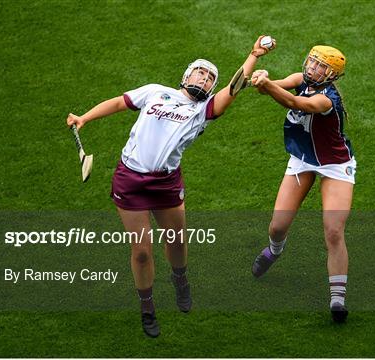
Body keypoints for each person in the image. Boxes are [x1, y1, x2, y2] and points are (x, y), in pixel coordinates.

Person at [66, 36, 275, 338]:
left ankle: (180, 279)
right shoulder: (155, 92)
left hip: (165, 183)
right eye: (200, 72)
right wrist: (84, 117)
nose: (204, 77)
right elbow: (118, 102)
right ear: (186, 75)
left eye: (210, 77)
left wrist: (253, 55)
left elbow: (235, 86)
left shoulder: (203, 111)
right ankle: (147, 307)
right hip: (130, 179)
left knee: (176, 242)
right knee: (140, 252)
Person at [250, 45, 354, 323]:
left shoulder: (326, 100)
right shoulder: (300, 80)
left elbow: (295, 103)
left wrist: (268, 85)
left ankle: (337, 299)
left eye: (320, 66)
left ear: (331, 75)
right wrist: (262, 79)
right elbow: (275, 88)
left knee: (333, 230)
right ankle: (274, 250)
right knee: (277, 226)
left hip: (335, 164)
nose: (312, 68)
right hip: (302, 158)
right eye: (312, 61)